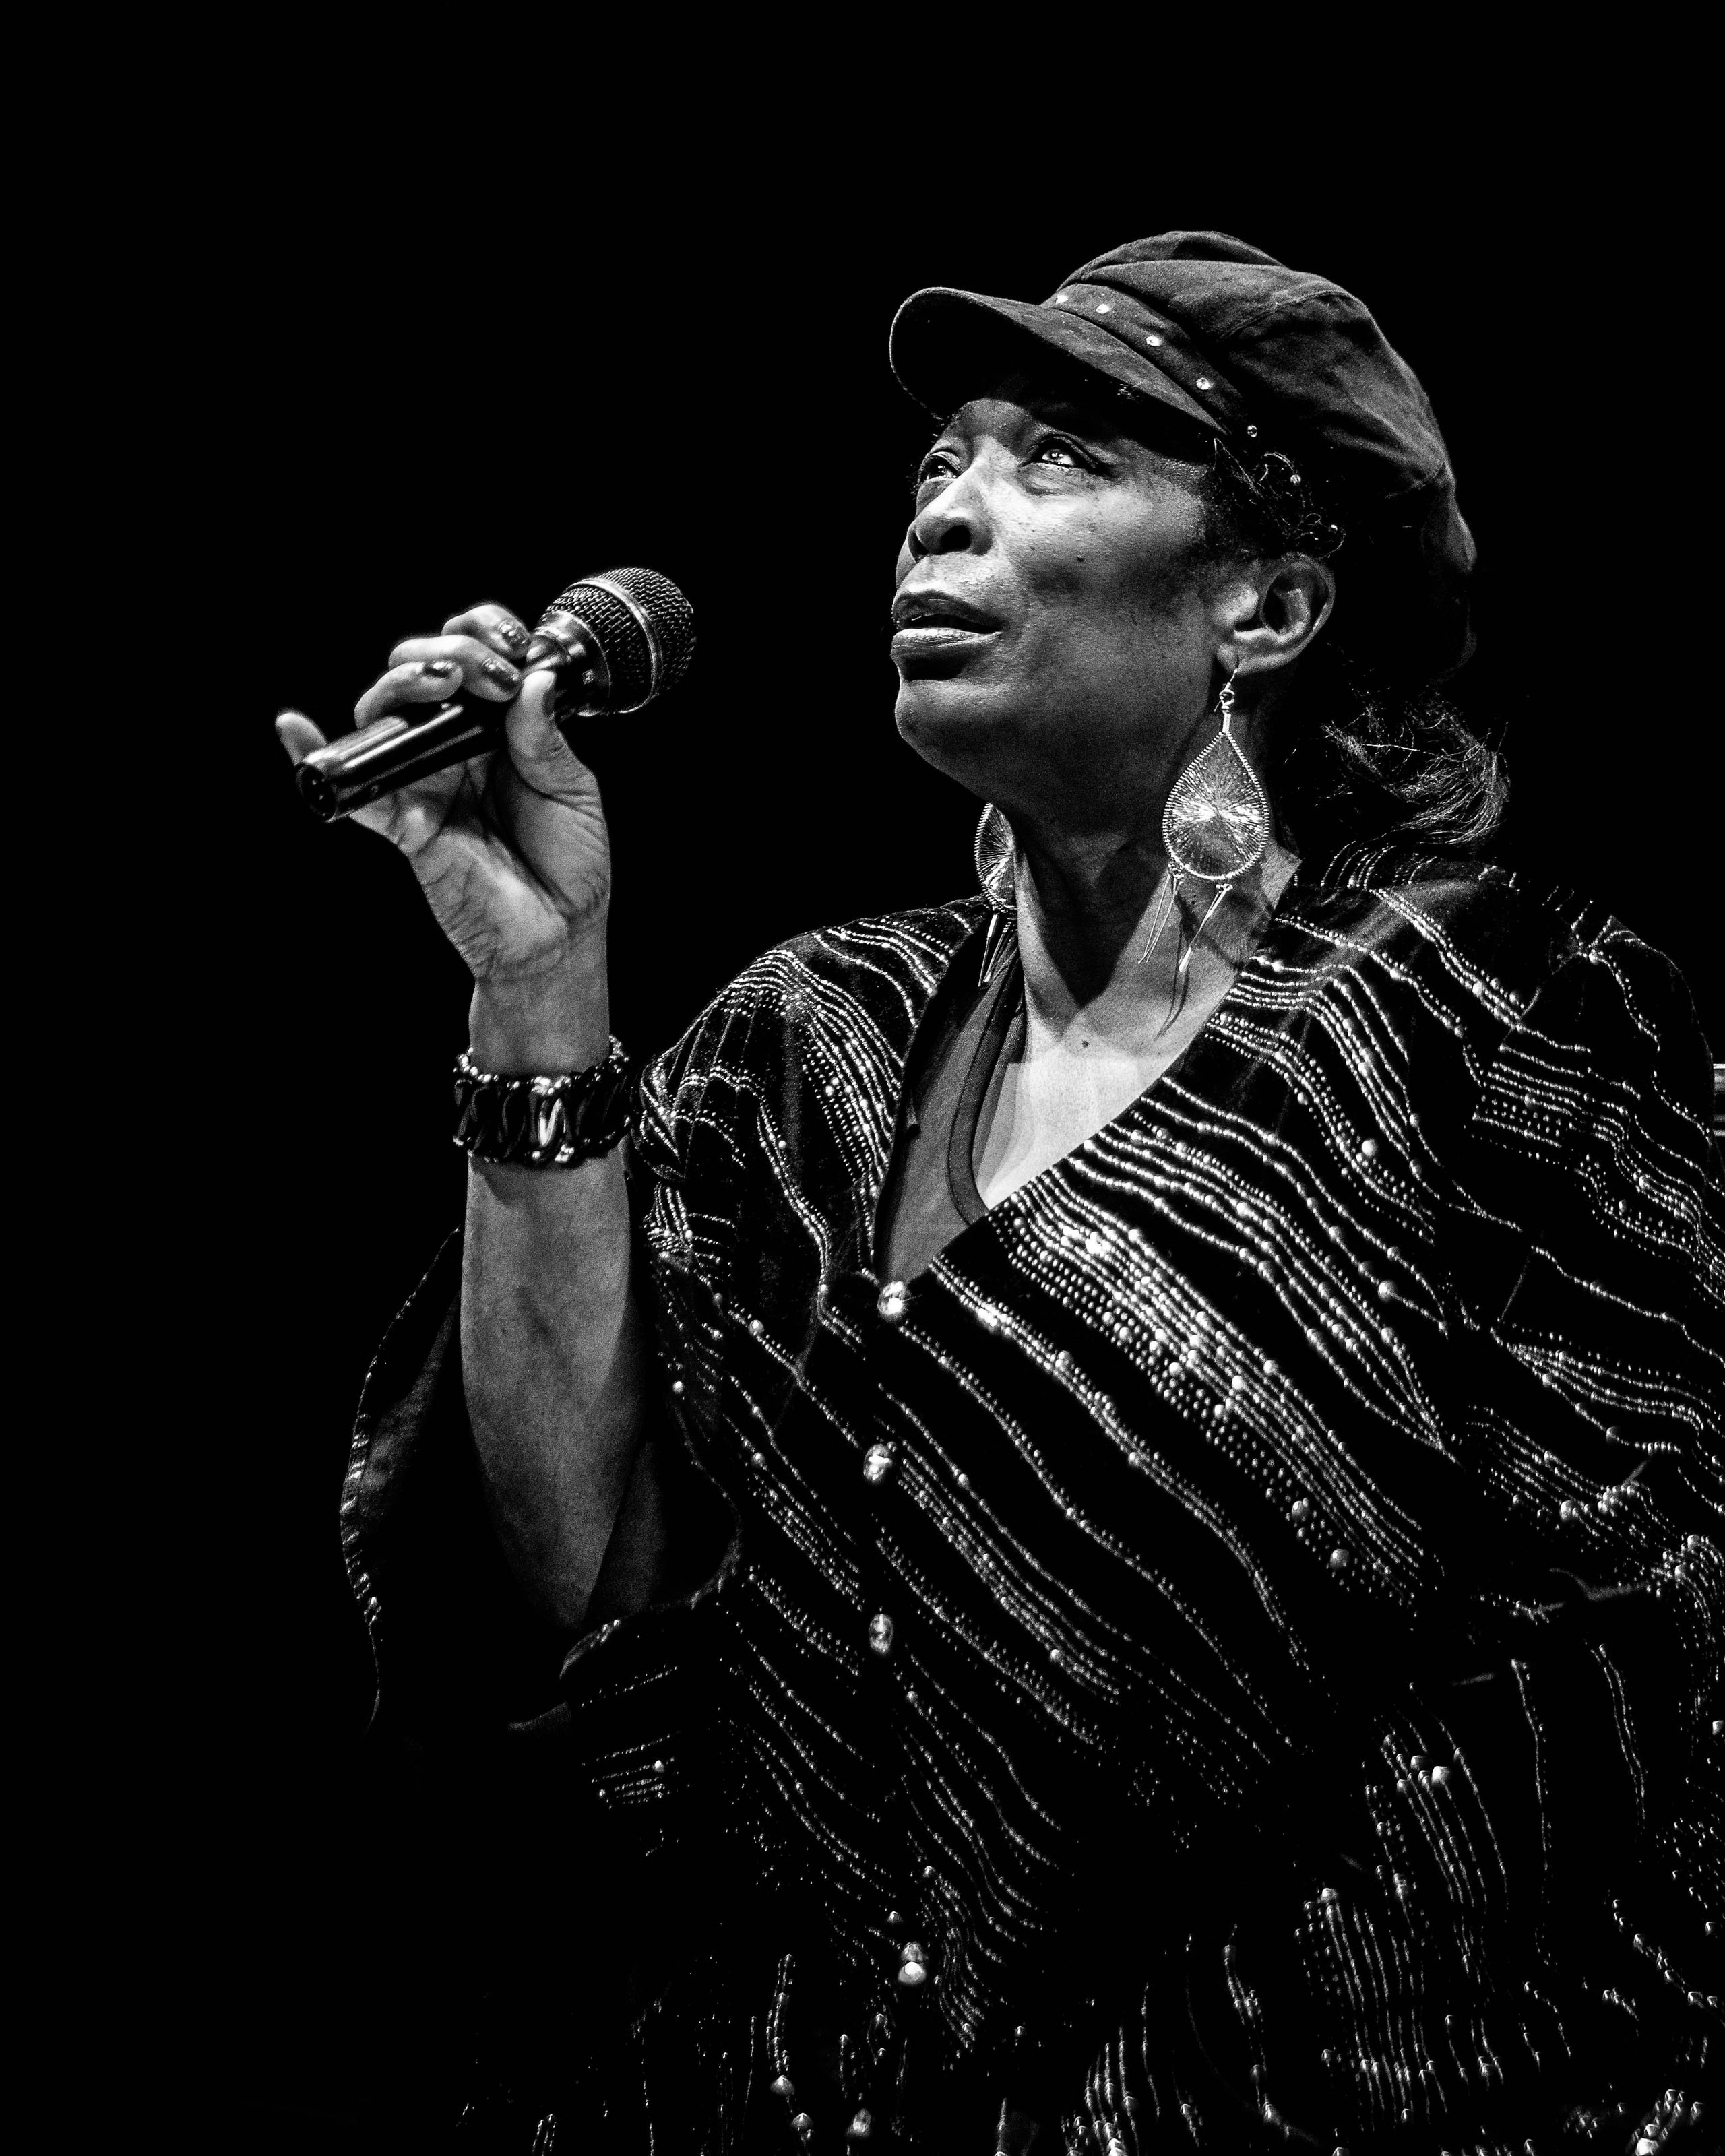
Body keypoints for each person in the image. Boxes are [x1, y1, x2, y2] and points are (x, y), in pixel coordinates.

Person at [278, 233, 1722, 2154]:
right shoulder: (806, 1049)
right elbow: (587, 1599)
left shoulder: (1507, 1032)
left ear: (1271, 602)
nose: (945, 511)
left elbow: (1614, 1699)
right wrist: (537, 985)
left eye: (1058, 459)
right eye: (939, 464)